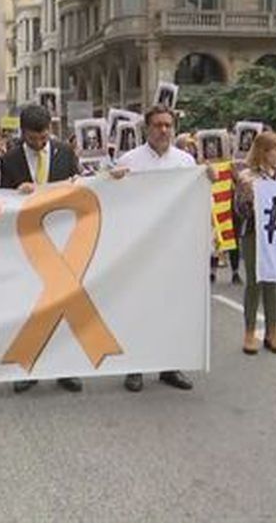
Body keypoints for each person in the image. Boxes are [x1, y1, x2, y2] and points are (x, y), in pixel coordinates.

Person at [0, 104, 83, 395]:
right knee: (30, 308)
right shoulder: (9, 160)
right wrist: (14, 193)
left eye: (44, 135)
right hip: (28, 242)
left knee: (64, 305)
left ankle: (67, 368)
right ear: (23, 134)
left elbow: (79, 188)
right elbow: (1, 202)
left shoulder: (65, 153)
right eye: (33, 138)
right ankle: (29, 368)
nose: (40, 142)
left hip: (62, 238)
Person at [111, 105, 196, 393]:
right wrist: (114, 181)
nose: (163, 130)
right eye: (158, 125)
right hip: (140, 248)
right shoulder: (129, 161)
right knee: (138, 307)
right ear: (147, 129)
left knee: (171, 307)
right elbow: (112, 201)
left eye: (168, 125)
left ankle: (169, 365)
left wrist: (207, 179)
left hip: (174, 247)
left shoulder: (186, 162)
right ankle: (134, 367)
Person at [234, 132, 276, 356]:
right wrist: (248, 198)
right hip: (253, 232)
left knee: (272, 283)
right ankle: (249, 332)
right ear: (264, 152)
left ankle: (272, 330)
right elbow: (239, 210)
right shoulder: (247, 176)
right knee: (255, 281)